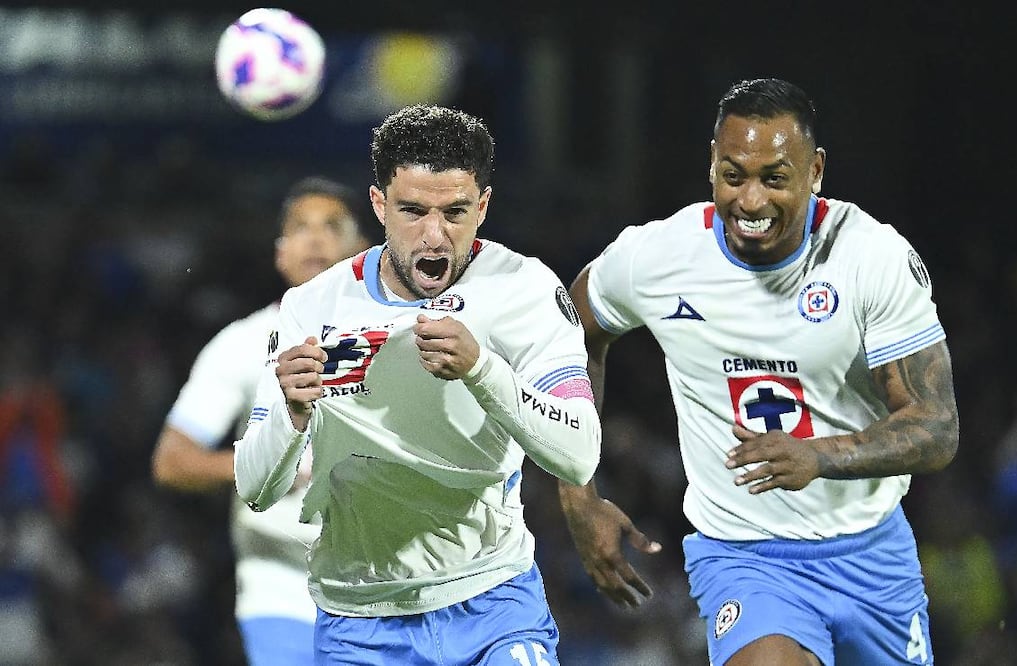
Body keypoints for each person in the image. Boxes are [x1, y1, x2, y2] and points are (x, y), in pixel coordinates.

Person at [557, 77, 960, 665]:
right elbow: (570, 336)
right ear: (711, 166)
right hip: (743, 555)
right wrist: (578, 495)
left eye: (774, 179)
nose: (750, 202)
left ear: (815, 171)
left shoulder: (870, 258)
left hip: (871, 552)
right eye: (733, 176)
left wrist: (819, 456)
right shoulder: (658, 257)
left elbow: (937, 426)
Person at [234, 104, 601, 665]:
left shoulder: (522, 289)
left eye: (455, 212)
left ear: (483, 206)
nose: (434, 236)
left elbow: (579, 453)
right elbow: (255, 487)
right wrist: (292, 413)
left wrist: (482, 369)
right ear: (379, 204)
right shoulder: (313, 306)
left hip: (492, 600)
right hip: (360, 619)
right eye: (412, 211)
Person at [151, 175, 376, 666]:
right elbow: (172, 460)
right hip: (280, 586)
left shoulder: (398, 339)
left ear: (362, 249)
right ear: (280, 252)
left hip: (384, 588)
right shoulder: (241, 343)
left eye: (331, 227)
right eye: (300, 228)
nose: (314, 239)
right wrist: (263, 465)